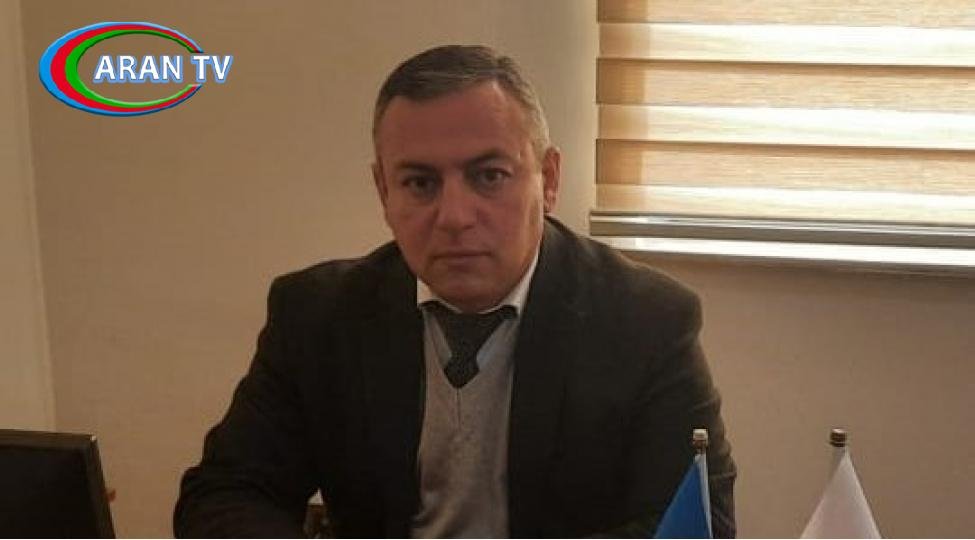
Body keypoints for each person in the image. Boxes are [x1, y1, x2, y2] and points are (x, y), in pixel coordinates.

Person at [174, 44, 736, 538]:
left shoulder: (647, 321)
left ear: (548, 180)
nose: (455, 217)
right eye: (420, 183)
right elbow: (224, 495)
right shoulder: (317, 316)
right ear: (383, 191)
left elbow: (694, 524)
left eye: (489, 176)